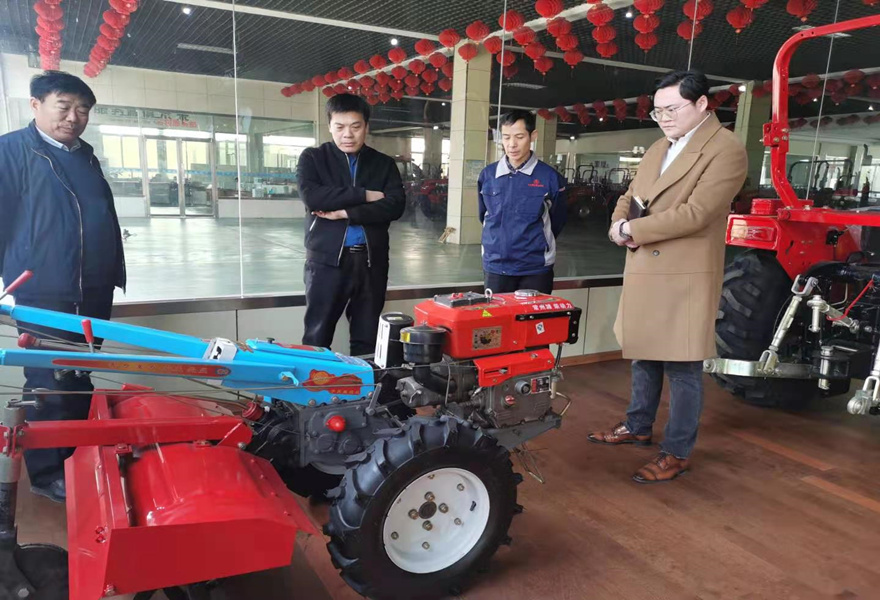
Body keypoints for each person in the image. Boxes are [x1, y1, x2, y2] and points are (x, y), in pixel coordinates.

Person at [588, 70, 747, 483]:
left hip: (683, 274)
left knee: (682, 367)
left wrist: (632, 229)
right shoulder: (659, 147)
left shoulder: (725, 149)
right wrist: (617, 223)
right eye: (657, 111)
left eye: (672, 109)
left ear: (702, 104)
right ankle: (638, 425)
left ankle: (676, 451)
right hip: (646, 266)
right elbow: (630, 195)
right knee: (644, 356)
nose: (664, 118)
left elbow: (697, 213)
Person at [0, 71, 126, 503]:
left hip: (93, 289)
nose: (74, 117)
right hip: (44, 290)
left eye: (83, 110)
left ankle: (75, 460)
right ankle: (47, 472)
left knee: (77, 376)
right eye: (64, 106)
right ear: (35, 105)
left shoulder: (85, 156)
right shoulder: (11, 151)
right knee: (48, 382)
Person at [297, 94, 405, 356]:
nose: (348, 134)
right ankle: (315, 382)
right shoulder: (313, 158)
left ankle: (365, 382)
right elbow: (313, 197)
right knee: (317, 335)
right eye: (340, 127)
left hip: (371, 262)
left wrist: (345, 212)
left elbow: (395, 205)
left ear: (366, 126)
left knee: (367, 338)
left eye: (355, 126)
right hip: (326, 262)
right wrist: (365, 195)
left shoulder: (383, 164)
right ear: (330, 126)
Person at [477, 110, 567, 294]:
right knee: (497, 313)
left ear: (533, 136)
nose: (512, 144)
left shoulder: (550, 178)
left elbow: (557, 221)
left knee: (532, 314)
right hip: (496, 266)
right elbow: (484, 215)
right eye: (506, 137)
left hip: (535, 268)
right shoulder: (488, 175)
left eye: (519, 137)